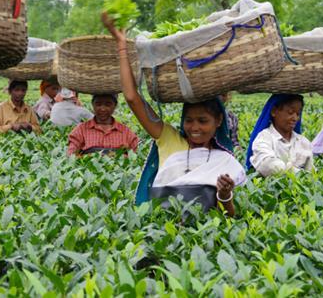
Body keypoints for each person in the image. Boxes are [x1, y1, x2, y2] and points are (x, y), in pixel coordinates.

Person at [102, 12, 246, 217]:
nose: (194, 127)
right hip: (163, 231)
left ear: (218, 121)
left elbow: (227, 217)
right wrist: (121, 44)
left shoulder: (223, 159)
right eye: (189, 120)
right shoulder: (169, 138)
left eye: (203, 121)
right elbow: (133, 98)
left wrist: (224, 195)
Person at [246, 94, 313, 177]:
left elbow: (311, 173)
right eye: (290, 112)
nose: (295, 118)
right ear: (274, 111)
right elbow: (268, 165)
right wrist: (298, 173)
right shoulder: (264, 138)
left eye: (298, 114)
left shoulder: (304, 142)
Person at [67, 93, 138, 156]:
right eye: (98, 104)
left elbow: (137, 155)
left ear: (115, 106)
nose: (103, 109)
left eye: (108, 104)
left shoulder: (126, 132)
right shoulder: (81, 130)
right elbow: (71, 155)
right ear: (92, 105)